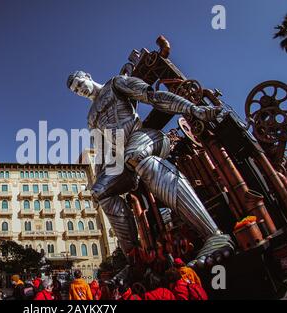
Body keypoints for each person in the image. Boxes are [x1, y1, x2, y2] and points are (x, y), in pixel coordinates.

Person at [67, 70, 235, 281]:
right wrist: (99, 182)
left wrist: (193, 109)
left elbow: (152, 97)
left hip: (146, 138)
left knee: (134, 155)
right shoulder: (91, 117)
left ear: (87, 76)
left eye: (79, 83)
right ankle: (135, 261)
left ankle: (214, 236)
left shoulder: (116, 84)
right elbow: (101, 151)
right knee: (100, 193)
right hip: (122, 159)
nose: (79, 90)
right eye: (75, 90)